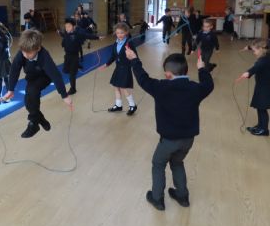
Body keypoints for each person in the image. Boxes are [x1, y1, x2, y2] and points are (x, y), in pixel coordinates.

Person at [125, 49, 214, 210]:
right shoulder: (195, 89)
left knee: (158, 163)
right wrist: (202, 69)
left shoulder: (161, 87)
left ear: (167, 74)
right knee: (177, 162)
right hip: (188, 140)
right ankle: (182, 196)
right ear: (186, 70)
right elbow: (209, 85)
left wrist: (134, 59)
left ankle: (157, 198)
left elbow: (143, 79)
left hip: (168, 141)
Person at [1, 29, 73, 138]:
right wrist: (11, 89)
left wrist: (64, 95)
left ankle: (34, 124)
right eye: (24, 52)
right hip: (32, 77)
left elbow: (55, 75)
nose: (25, 55)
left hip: (44, 77)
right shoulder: (22, 53)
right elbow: (14, 70)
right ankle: (41, 119)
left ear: (38, 48)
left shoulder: (44, 56)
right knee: (28, 103)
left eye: (29, 53)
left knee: (33, 91)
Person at [99, 22, 138, 116]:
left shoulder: (129, 43)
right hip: (118, 68)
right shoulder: (115, 43)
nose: (119, 35)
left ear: (126, 32)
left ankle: (132, 105)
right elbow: (113, 56)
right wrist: (106, 64)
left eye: (121, 33)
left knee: (124, 87)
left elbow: (135, 56)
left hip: (125, 68)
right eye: (117, 33)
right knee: (116, 86)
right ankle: (118, 105)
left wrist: (135, 66)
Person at [58, 18, 102, 95]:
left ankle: (73, 89)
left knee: (72, 74)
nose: (67, 28)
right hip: (67, 56)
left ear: (74, 26)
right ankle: (76, 66)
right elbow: (63, 35)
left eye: (69, 26)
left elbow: (87, 36)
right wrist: (59, 33)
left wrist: (97, 37)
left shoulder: (78, 34)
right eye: (66, 27)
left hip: (74, 57)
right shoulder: (66, 33)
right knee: (65, 70)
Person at [236, 39, 270, 136]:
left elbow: (256, 67)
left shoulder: (263, 60)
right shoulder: (266, 54)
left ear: (261, 49)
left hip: (265, 88)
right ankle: (260, 126)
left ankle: (264, 130)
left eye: (254, 50)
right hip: (261, 86)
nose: (253, 52)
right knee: (259, 107)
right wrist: (249, 47)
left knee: (262, 108)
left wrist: (248, 73)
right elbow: (263, 45)